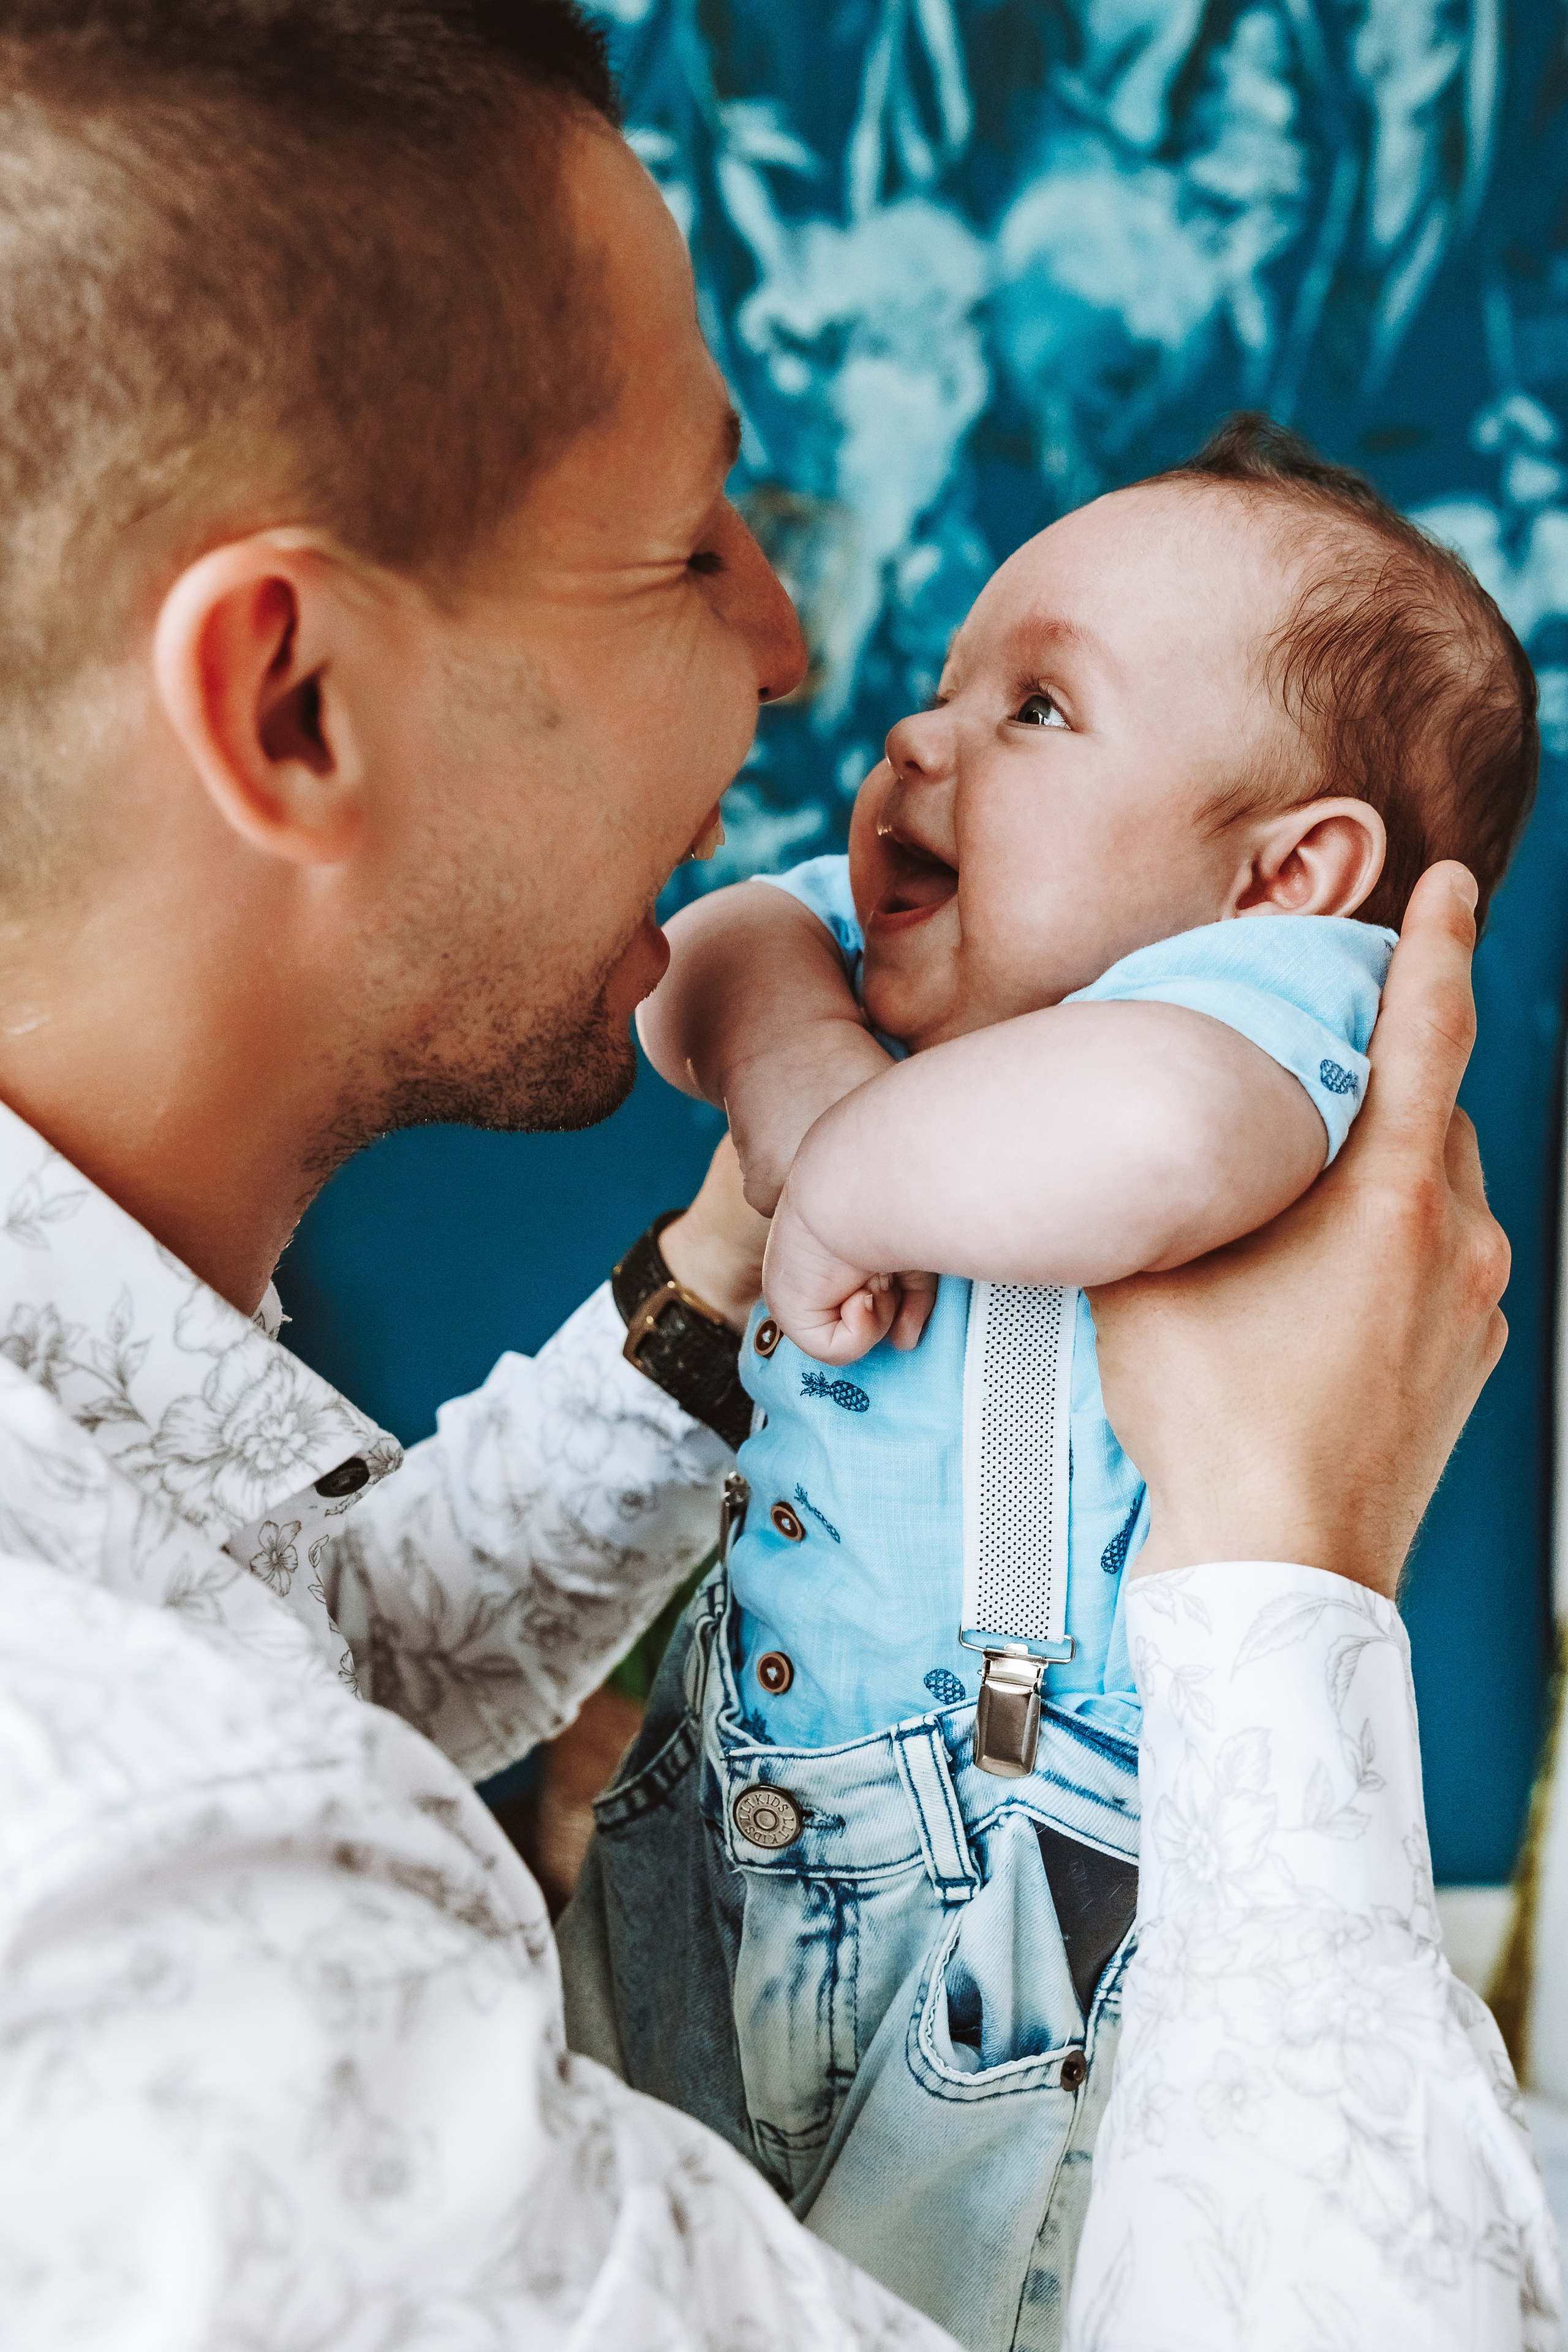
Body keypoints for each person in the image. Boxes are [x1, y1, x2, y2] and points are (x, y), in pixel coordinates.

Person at [0, 6, 1548, 2350]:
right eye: (688, 546)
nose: (807, 650)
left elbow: (349, 1658)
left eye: (1037, 706)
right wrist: (1287, 1582)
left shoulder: (1247, 1007)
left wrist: (743, 1249)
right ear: (295, 701)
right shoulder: (183, 1963)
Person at [559, 423, 1542, 2346]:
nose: (916, 743)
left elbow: (1153, 1141)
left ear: (1288, 872)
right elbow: (706, 953)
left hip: (1013, 1892)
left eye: (1035, 708)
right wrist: (809, 1096)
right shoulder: (892, 1003)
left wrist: (841, 1172)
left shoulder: (1270, 1014)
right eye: (938, 690)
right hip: (726, 1822)